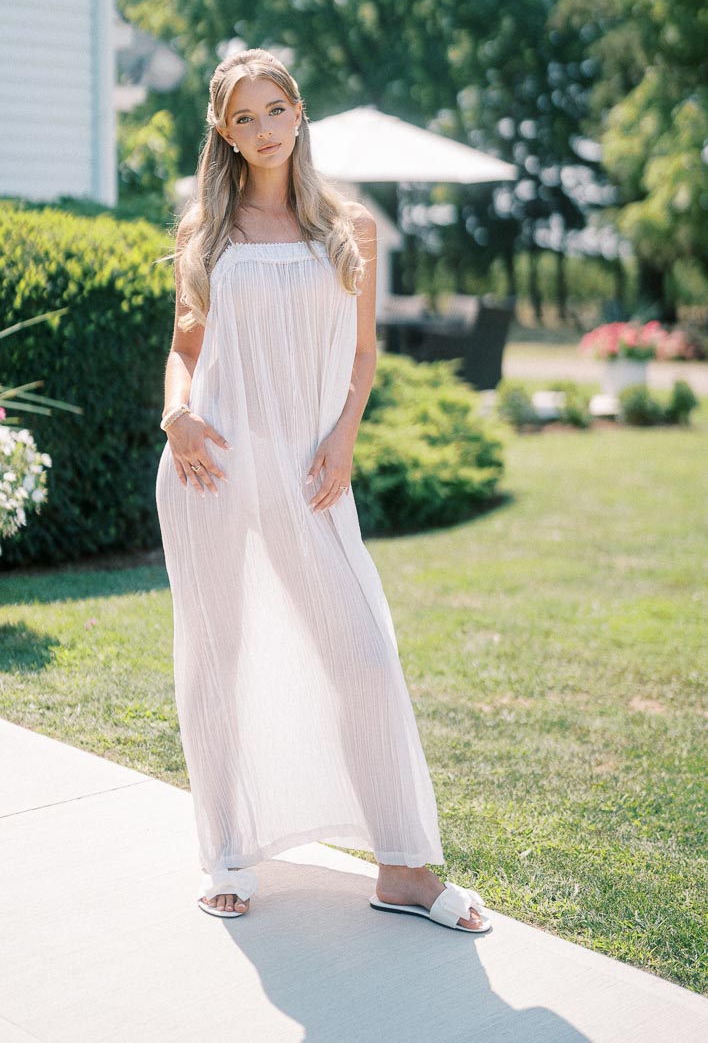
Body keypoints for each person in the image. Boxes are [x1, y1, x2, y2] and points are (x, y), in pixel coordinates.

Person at [154, 48, 491, 934]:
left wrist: (343, 437)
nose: (263, 129)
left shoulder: (350, 225)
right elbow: (186, 347)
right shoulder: (205, 231)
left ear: (298, 112)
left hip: (308, 473)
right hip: (209, 466)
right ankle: (228, 853)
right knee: (218, 658)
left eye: (275, 109)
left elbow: (363, 354)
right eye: (244, 117)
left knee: (363, 655)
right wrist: (176, 416)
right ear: (225, 133)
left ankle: (403, 868)